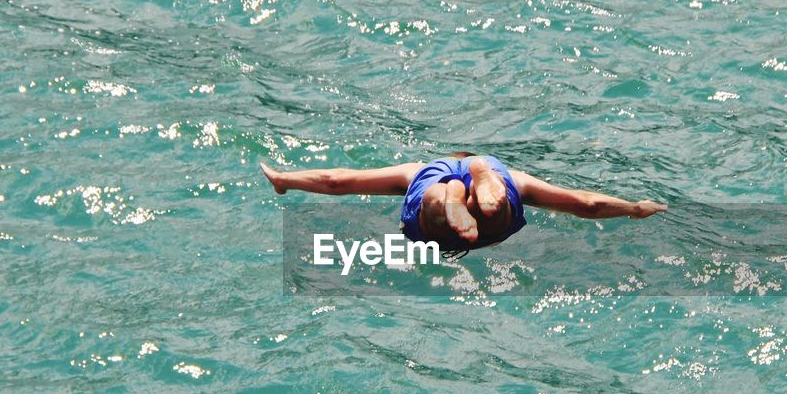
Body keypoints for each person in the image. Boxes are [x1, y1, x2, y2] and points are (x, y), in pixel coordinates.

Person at [262, 152, 667, 252]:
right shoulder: (518, 181)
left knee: (431, 203)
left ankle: (448, 197)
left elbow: (338, 182)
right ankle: (485, 184)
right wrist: (633, 207)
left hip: (434, 224)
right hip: (494, 207)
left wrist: (285, 180)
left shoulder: (416, 171)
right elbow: (586, 204)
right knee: (500, 207)